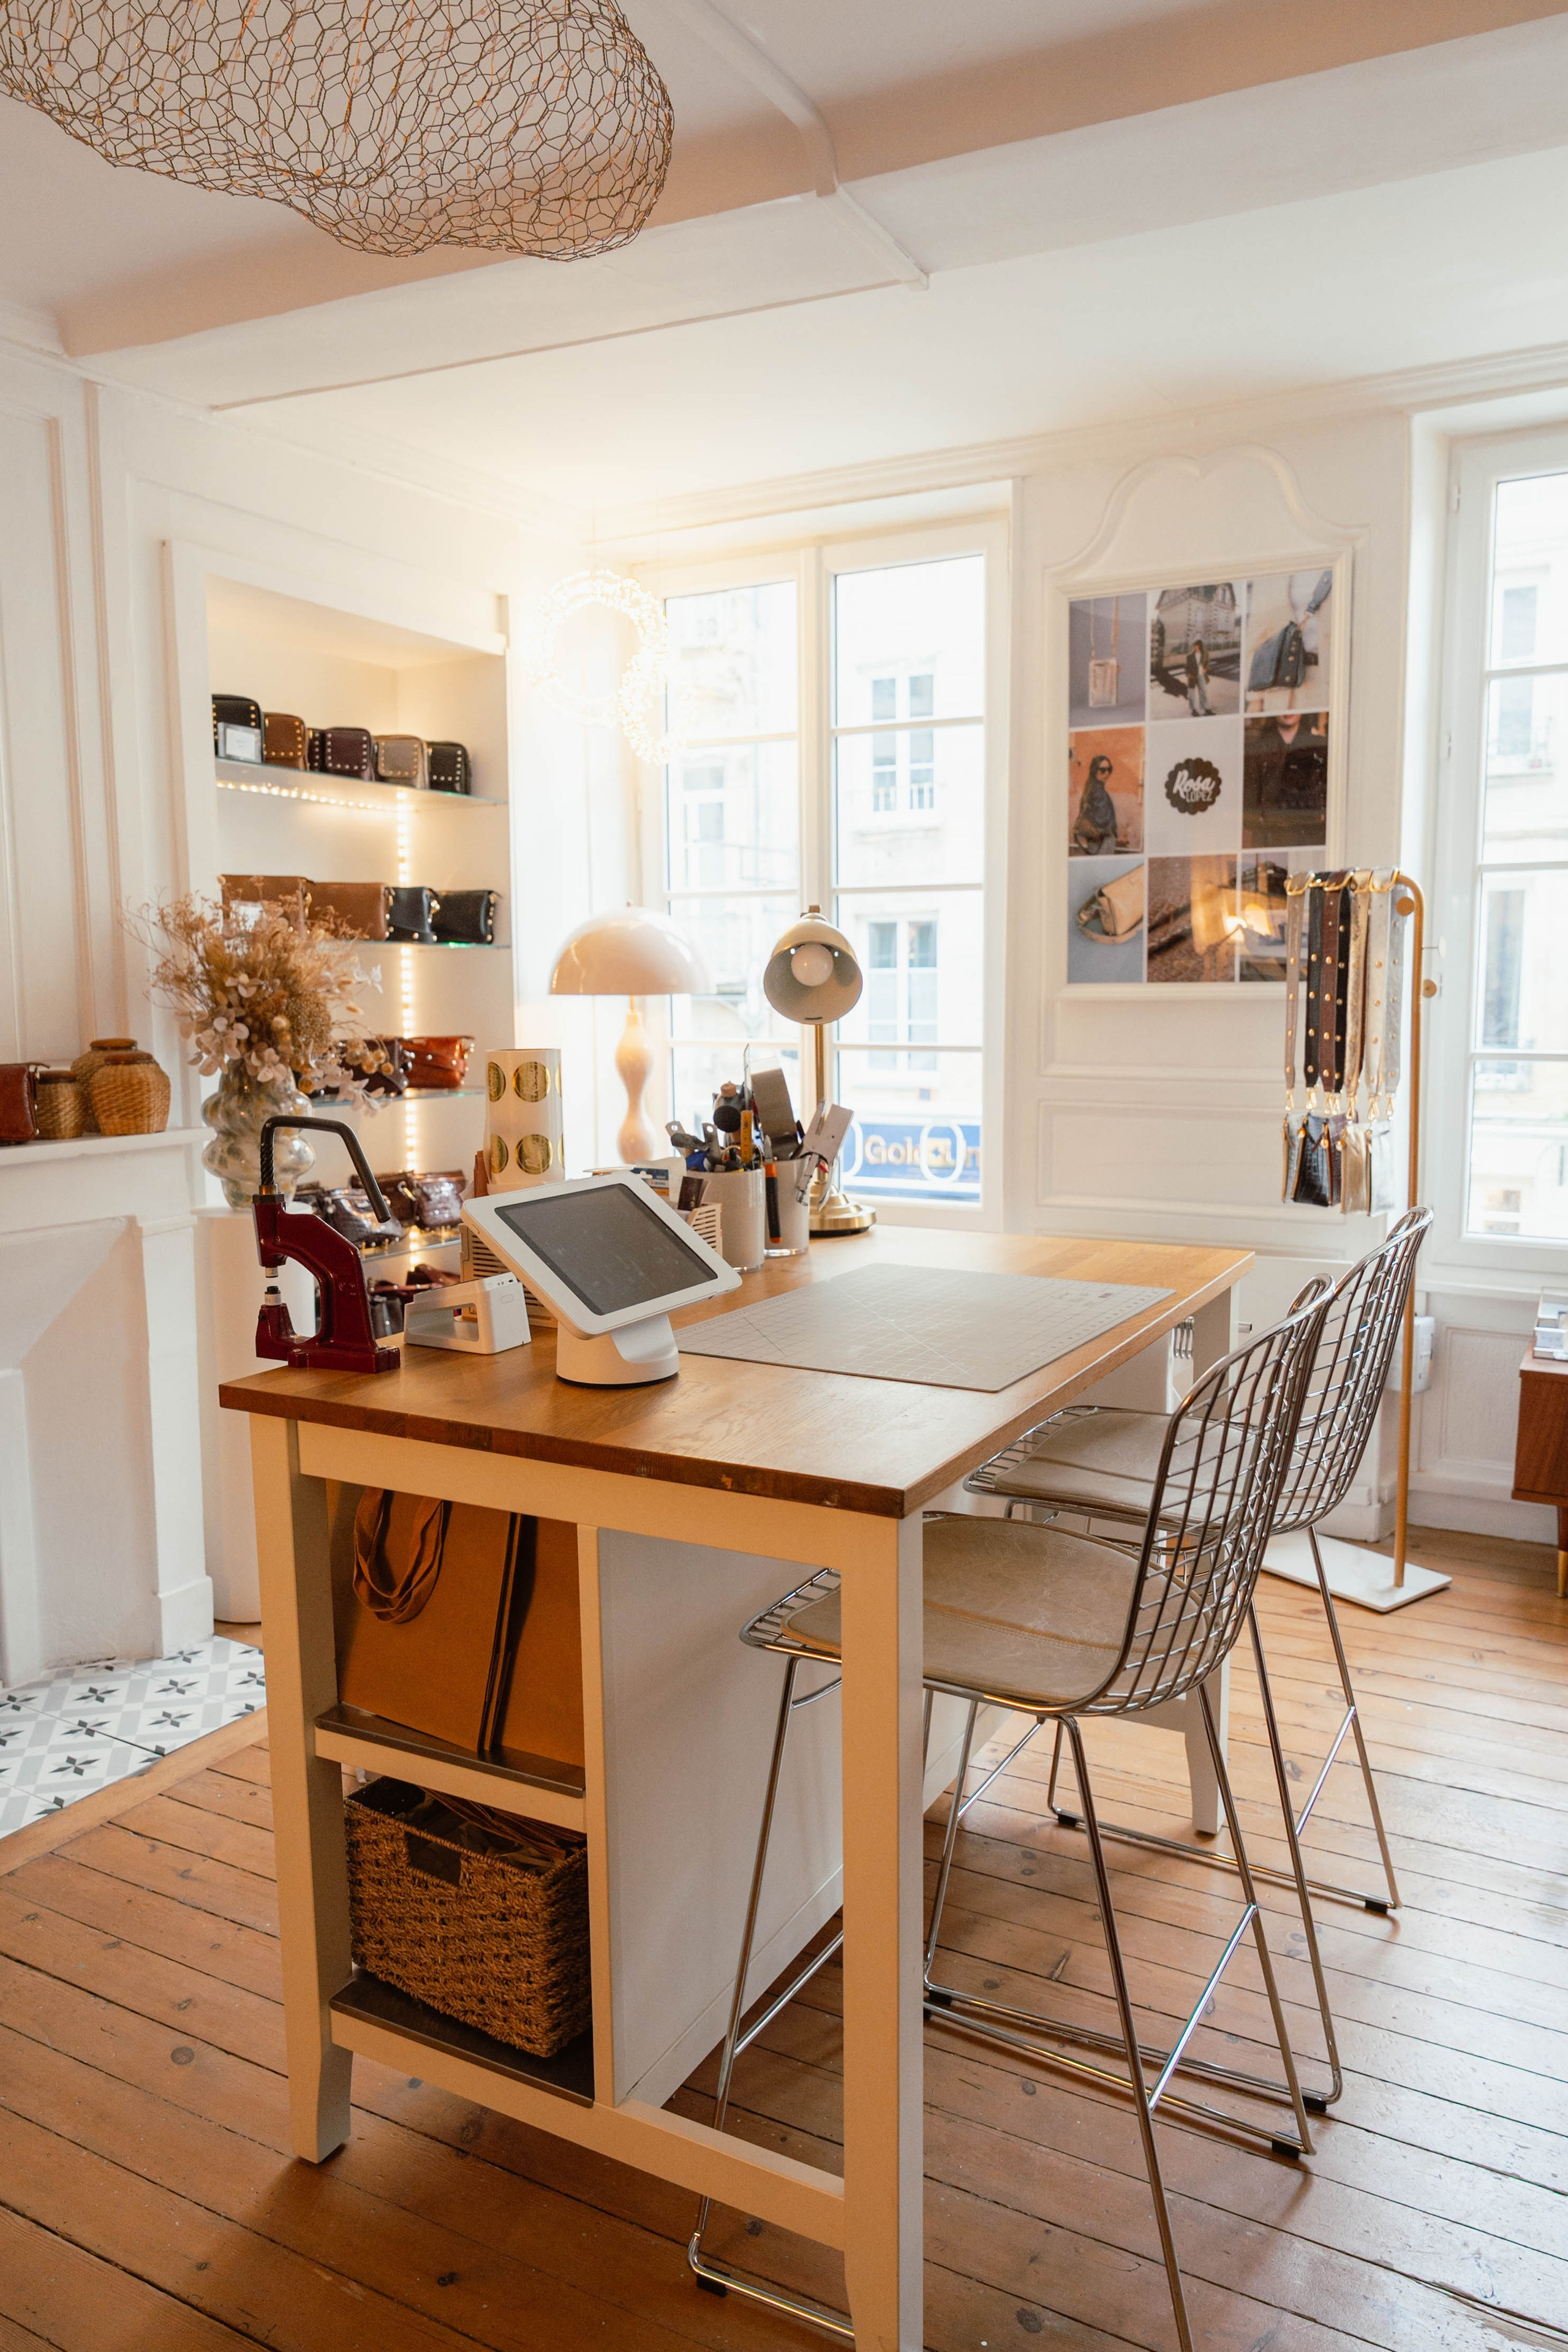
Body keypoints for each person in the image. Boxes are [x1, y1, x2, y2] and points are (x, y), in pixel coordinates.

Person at [1072, 752, 1121, 854]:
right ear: (1095, 771)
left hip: (1094, 841)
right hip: (1102, 842)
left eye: (1109, 769)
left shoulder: (1090, 787)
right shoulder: (1098, 792)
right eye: (1103, 770)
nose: (1107, 773)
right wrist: (1112, 831)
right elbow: (1102, 820)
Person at [1185, 635, 1212, 717]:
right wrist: (1188, 674)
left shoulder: (1205, 653)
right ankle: (1193, 710)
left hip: (1201, 675)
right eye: (1193, 646)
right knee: (1192, 694)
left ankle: (1205, 709)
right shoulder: (1190, 656)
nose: (1194, 647)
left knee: (1203, 693)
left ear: (1199, 646)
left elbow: (1207, 662)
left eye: (1195, 646)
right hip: (1192, 677)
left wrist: (1205, 669)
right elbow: (1186, 667)